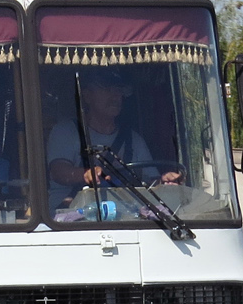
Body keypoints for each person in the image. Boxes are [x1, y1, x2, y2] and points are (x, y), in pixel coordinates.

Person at [45, 69, 180, 209]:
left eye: (118, 90)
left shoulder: (133, 139)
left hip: (121, 218)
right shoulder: (66, 131)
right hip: (68, 222)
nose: (115, 96)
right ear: (87, 96)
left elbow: (151, 181)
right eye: (107, 89)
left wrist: (164, 182)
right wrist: (86, 174)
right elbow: (58, 172)